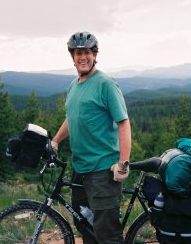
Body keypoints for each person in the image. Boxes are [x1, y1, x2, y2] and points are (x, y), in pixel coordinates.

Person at [51, 31, 131, 244]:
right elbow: (72, 117)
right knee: (86, 227)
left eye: (86, 52)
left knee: (107, 234)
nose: (82, 57)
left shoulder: (105, 84)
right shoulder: (73, 85)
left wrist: (123, 162)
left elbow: (123, 122)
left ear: (94, 55)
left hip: (102, 171)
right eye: (78, 53)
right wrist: (55, 141)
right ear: (72, 57)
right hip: (80, 170)